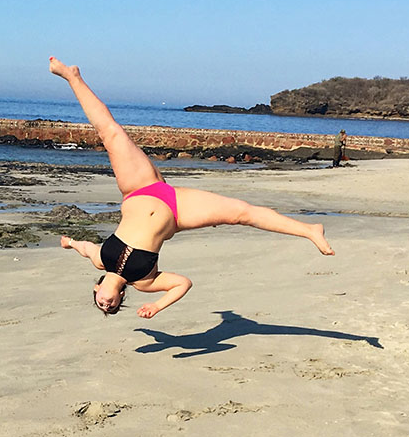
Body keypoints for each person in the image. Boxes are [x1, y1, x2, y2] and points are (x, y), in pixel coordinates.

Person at [49, 56, 334, 319]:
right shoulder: (144, 283)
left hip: (140, 189)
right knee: (241, 213)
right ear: (121, 297)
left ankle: (73, 77)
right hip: (176, 211)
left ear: (96, 291)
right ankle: (309, 230)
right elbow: (183, 283)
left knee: (111, 133)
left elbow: (84, 247)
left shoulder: (100, 261)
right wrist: (157, 306)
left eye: (101, 303)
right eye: (112, 307)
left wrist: (69, 243)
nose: (107, 304)